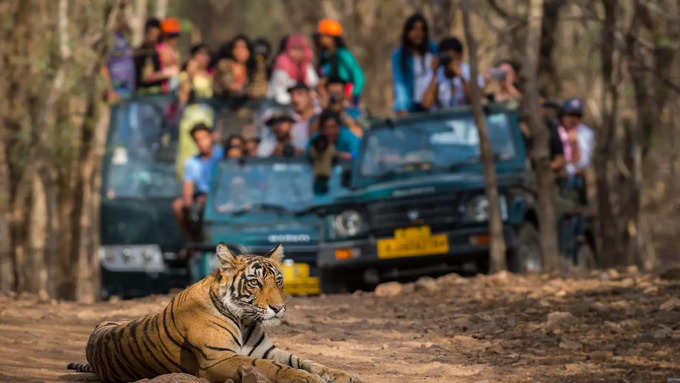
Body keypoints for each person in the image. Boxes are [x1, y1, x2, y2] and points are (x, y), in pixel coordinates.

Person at [172, 123, 224, 240]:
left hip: (221, 195)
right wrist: (190, 205)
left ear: (211, 137)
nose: (202, 143)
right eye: (198, 140)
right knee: (178, 206)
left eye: (204, 138)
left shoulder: (222, 155)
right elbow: (187, 191)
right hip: (201, 197)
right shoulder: (191, 162)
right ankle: (193, 241)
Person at [392, 14, 438, 115]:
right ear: (407, 32)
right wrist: (402, 106)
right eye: (414, 29)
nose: (419, 33)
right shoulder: (399, 55)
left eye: (422, 30)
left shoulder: (434, 49)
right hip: (412, 106)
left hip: (434, 103)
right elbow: (399, 83)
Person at [421, 37, 483, 110]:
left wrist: (462, 78)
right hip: (440, 119)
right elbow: (426, 105)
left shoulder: (469, 72)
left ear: (460, 55)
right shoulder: (433, 73)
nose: (449, 62)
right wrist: (434, 74)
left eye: (452, 58)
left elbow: (476, 103)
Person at [316, 19, 365, 103]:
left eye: (322, 36)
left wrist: (353, 93)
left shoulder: (343, 54)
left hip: (345, 95)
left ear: (331, 38)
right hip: (329, 95)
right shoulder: (324, 56)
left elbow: (358, 75)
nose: (320, 39)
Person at [268, 34, 319, 105]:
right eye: (294, 48)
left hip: (302, 101)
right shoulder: (282, 63)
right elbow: (279, 92)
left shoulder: (306, 64)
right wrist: (297, 98)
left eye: (300, 49)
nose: (297, 52)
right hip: (280, 103)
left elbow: (313, 83)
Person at [214, 35, 268, 99]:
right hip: (224, 101)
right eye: (237, 47)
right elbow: (228, 84)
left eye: (243, 47)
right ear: (232, 50)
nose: (240, 51)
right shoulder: (224, 64)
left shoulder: (255, 66)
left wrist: (250, 91)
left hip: (249, 102)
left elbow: (261, 87)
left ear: (249, 51)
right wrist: (240, 89)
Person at [104, 21, 135, 102]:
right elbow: (103, 65)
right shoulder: (110, 40)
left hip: (128, 86)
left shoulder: (127, 41)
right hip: (114, 85)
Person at [133, 18, 166, 93]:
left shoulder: (163, 51)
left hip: (158, 92)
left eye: (155, 34)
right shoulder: (140, 51)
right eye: (150, 33)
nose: (152, 37)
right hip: (141, 92)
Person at [288, 82, 321, 150]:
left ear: (311, 95)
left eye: (299, 94)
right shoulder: (288, 120)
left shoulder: (321, 115)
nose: (295, 99)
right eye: (292, 95)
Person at [156, 17, 182, 93]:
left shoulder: (173, 50)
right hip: (164, 87)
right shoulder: (160, 48)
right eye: (171, 36)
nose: (174, 39)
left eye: (176, 35)